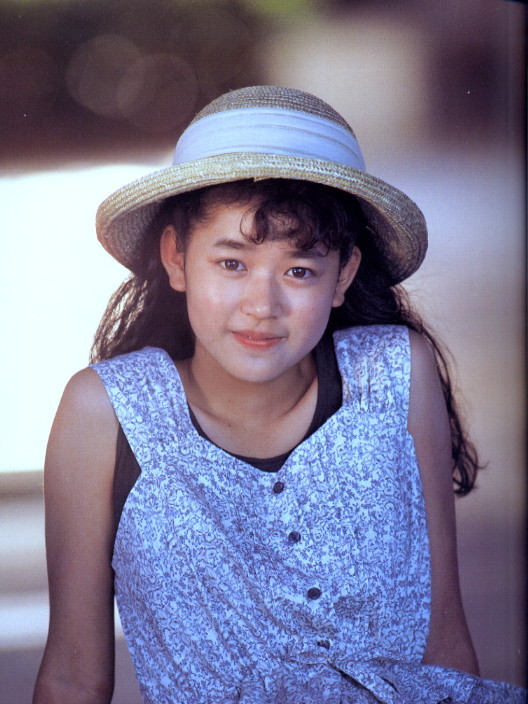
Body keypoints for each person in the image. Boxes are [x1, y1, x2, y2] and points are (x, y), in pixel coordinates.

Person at [33, 86, 525, 704]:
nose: (262, 306)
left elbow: (444, 644)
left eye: (299, 270)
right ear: (177, 258)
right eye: (232, 263)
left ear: (343, 274)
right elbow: (73, 677)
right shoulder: (105, 411)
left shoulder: (396, 372)